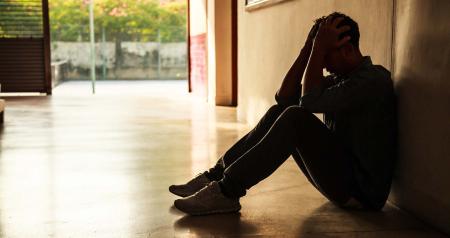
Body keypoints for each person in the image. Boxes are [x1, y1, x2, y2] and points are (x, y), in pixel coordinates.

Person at [169, 12, 397, 216]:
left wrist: (318, 49)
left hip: (362, 193)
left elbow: (307, 103)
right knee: (281, 111)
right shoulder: (342, 79)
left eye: (325, 56)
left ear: (347, 49)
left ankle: (227, 191)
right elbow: (284, 97)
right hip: (343, 180)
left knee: (295, 117)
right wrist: (308, 49)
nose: (323, 66)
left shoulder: (372, 80)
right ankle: (216, 177)